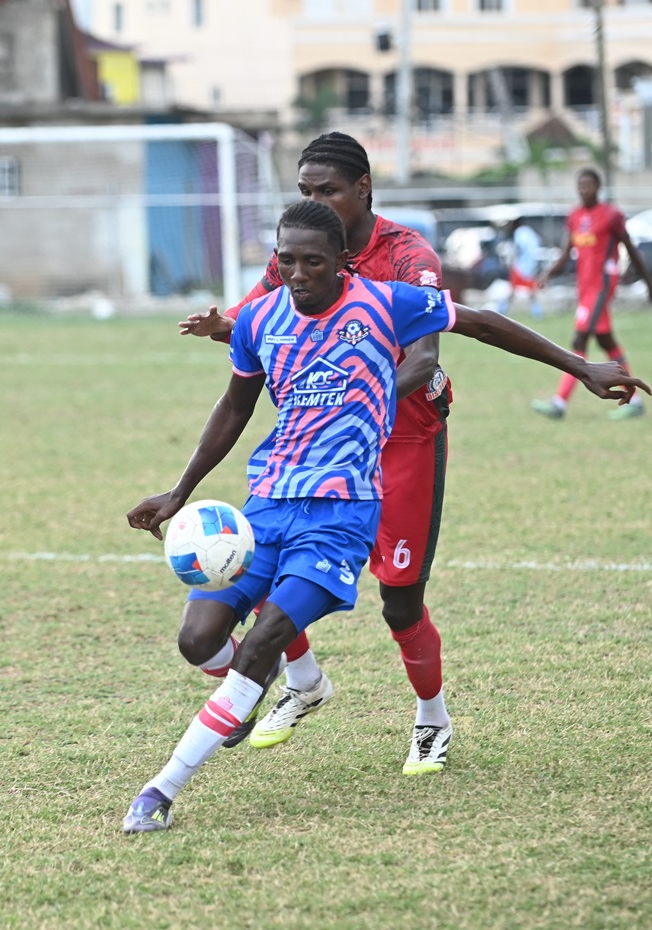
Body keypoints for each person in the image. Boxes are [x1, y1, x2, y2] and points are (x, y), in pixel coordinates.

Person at [122, 199, 651, 833]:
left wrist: (581, 367)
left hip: (341, 516)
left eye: (312, 261)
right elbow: (234, 408)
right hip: (266, 506)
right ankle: (280, 686)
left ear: (343, 261)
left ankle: (160, 790)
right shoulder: (259, 317)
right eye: (286, 260)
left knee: (261, 645)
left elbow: (481, 323)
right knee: (198, 641)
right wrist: (180, 491)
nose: (296, 273)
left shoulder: (386, 301)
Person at [179, 132, 454, 775]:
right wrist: (226, 327)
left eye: (326, 189)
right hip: (313, 457)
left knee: (401, 600)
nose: (315, 200)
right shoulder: (299, 251)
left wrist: (360, 396)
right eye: (304, 190)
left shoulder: (406, 252)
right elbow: (261, 322)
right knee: (275, 577)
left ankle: (432, 718)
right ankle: (302, 681)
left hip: (403, 437)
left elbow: (426, 354)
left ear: (363, 189)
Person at [531, 167, 652, 421]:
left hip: (602, 287)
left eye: (589, 185)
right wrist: (548, 274)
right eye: (581, 185)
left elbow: (631, 250)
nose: (584, 190)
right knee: (606, 343)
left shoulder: (611, 216)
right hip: (585, 288)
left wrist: (651, 285)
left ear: (599, 188)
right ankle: (635, 400)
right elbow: (566, 253)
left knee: (579, 341)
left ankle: (560, 403)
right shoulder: (575, 216)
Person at [497, 216, 544, 319]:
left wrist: (511, 259)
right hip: (531, 266)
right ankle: (537, 313)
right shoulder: (530, 232)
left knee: (512, 290)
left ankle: (501, 310)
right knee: (531, 291)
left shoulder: (519, 233)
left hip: (520, 266)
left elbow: (519, 248)